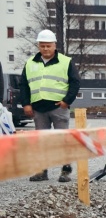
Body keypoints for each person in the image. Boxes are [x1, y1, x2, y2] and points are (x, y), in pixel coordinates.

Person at [21, 30, 80, 182]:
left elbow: (75, 82)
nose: (45, 49)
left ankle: (65, 171)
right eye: (42, 46)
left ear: (54, 45)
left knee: (63, 140)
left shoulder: (66, 61)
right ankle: (41, 172)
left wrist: (67, 101)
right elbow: (24, 85)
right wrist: (26, 104)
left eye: (48, 46)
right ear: (38, 46)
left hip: (58, 107)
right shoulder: (30, 63)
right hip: (38, 109)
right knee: (41, 141)